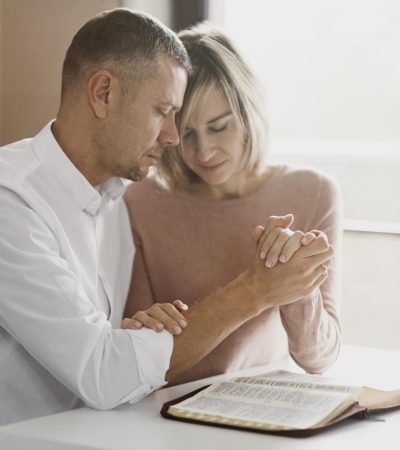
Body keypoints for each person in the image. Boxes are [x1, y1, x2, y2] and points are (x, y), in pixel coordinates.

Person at [0, 9, 332, 425]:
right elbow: (104, 371)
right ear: (103, 93)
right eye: (163, 111)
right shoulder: (10, 201)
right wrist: (256, 290)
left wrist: (140, 331)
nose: (174, 138)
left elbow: (122, 346)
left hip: (105, 432)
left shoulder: (116, 199)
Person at [123, 23, 342, 385]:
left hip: (262, 409)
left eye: (219, 126)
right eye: (186, 133)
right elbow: (136, 348)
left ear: (248, 113)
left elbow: (319, 359)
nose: (203, 152)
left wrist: (293, 283)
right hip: (166, 410)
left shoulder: (313, 192)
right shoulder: (141, 201)